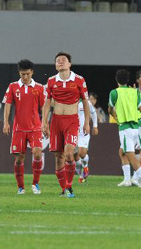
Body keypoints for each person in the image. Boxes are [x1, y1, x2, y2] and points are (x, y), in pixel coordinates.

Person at [41, 52, 90, 198]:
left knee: (69, 153)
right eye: (58, 60)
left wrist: (87, 122)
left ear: (69, 64)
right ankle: (64, 189)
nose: (60, 62)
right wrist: (44, 122)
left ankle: (69, 186)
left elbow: (85, 102)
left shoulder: (79, 80)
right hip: (56, 121)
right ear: (56, 65)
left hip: (72, 121)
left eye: (64, 60)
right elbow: (47, 103)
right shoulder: (51, 81)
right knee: (58, 157)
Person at [2, 59, 45, 195]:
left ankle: (35, 184)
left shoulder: (39, 88)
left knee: (37, 154)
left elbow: (44, 107)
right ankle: (21, 187)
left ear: (32, 72)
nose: (25, 77)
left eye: (27, 74)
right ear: (19, 73)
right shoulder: (13, 87)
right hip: (18, 128)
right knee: (19, 158)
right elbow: (8, 105)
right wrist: (6, 122)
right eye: (22, 74)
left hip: (35, 128)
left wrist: (45, 123)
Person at [109, 69, 141, 188]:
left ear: (116, 79)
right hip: (137, 128)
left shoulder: (114, 92)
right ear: (128, 80)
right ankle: (127, 180)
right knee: (122, 152)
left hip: (125, 128)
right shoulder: (135, 92)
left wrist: (114, 115)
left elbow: (110, 108)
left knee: (131, 156)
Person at [75, 89, 98, 183]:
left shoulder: (86, 102)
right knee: (74, 158)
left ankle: (85, 167)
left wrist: (95, 126)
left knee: (82, 153)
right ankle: (81, 175)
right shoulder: (69, 102)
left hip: (83, 132)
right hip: (72, 132)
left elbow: (93, 113)